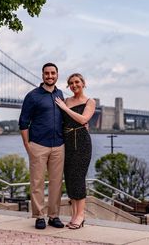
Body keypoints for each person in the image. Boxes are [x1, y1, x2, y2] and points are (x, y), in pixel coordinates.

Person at [19, 63, 65, 230]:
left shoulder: (60, 94)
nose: (50, 76)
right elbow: (23, 122)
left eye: (53, 73)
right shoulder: (32, 96)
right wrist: (27, 144)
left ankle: (54, 216)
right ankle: (39, 216)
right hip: (38, 145)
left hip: (59, 145)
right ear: (42, 75)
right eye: (47, 73)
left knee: (56, 183)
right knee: (37, 182)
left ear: (57, 75)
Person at [55, 73, 96, 230]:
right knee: (70, 179)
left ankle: (80, 215)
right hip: (67, 142)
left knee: (78, 177)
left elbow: (83, 119)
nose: (74, 85)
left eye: (77, 82)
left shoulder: (89, 101)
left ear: (83, 83)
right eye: (71, 83)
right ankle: (74, 214)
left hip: (82, 143)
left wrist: (65, 108)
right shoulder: (65, 100)